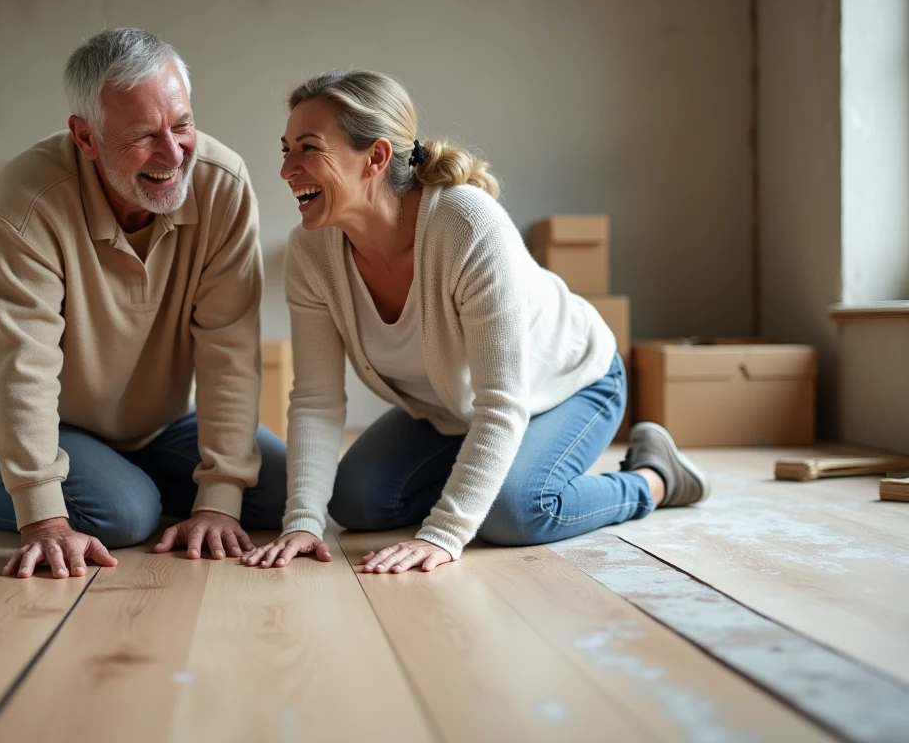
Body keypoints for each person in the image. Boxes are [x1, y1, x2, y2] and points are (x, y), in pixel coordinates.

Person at [243, 69, 708, 574]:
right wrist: (304, 522)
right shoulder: (311, 253)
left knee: (513, 514)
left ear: (375, 158)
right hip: (453, 409)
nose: (288, 169)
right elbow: (316, 399)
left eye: (308, 149)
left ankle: (655, 477)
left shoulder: (466, 225)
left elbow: (502, 401)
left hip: (570, 383)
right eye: (286, 149)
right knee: (358, 503)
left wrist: (445, 533)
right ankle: (496, 474)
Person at [0, 28, 287, 578]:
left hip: (156, 418)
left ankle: (127, 480)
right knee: (121, 516)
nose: (172, 153)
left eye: (182, 125)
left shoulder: (222, 185)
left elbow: (229, 346)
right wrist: (43, 518)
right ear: (85, 139)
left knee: (279, 491)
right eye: (143, 135)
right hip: (29, 410)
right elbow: (23, 366)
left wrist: (217, 500)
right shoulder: (27, 202)